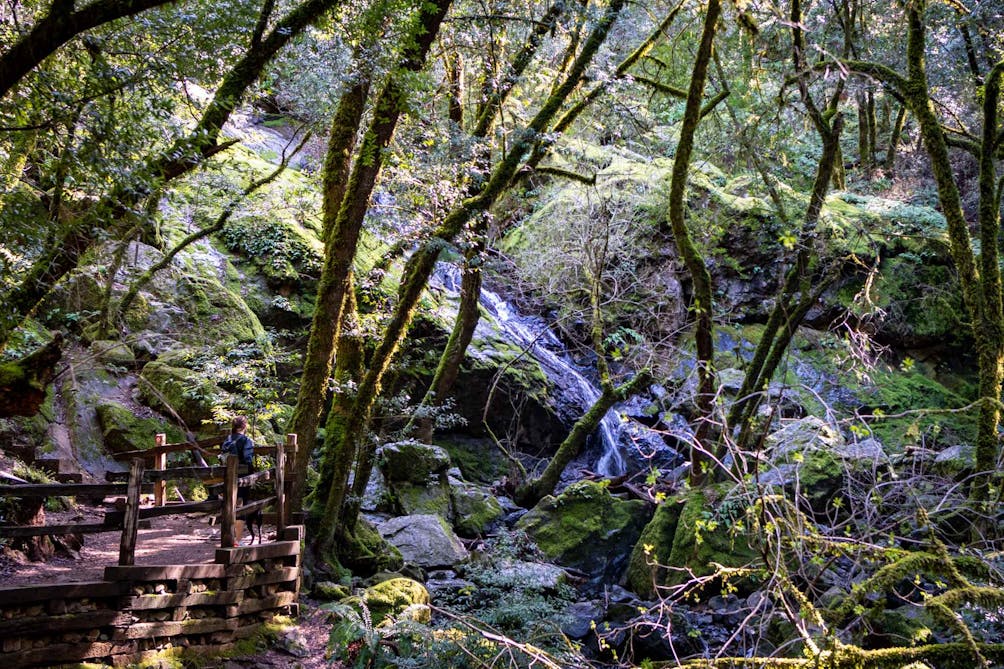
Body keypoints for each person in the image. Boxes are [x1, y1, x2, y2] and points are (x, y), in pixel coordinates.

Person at [221, 416, 258, 545]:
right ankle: (237, 540)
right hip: (241, 478)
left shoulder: (228, 439)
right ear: (245, 426)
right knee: (240, 506)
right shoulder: (246, 440)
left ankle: (229, 537)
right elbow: (247, 460)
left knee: (229, 505)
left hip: (227, 477)